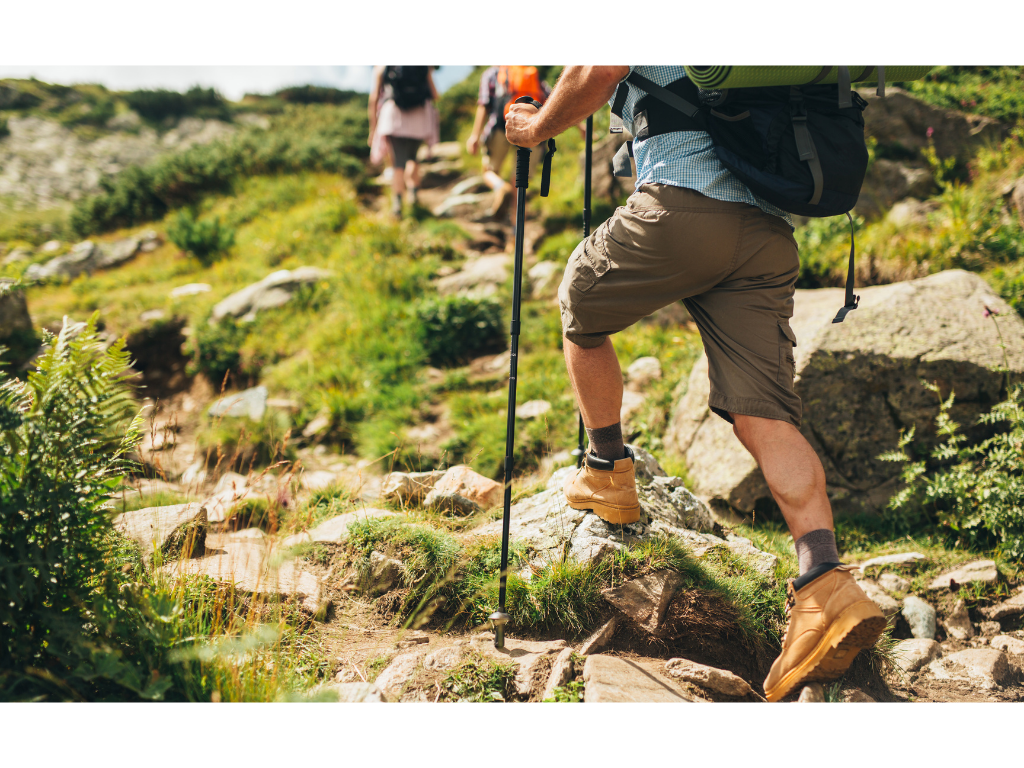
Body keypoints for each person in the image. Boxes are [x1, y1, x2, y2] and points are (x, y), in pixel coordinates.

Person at [505, 65, 886, 703]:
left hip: (681, 207)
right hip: (764, 235)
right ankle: (824, 582)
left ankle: (607, 472)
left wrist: (538, 126)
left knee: (580, 304)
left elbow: (597, 71)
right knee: (764, 412)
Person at [466, 65, 551, 230]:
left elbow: (484, 104)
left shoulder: (492, 73)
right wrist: (580, 127)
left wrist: (475, 135)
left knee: (488, 170)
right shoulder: (532, 73)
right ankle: (515, 236)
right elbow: (551, 99)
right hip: (529, 128)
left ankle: (500, 187)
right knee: (519, 186)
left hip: (501, 126)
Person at [369, 65, 440, 217]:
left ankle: (397, 205)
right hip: (419, 117)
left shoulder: (382, 67)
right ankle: (413, 196)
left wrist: (372, 129)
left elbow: (374, 98)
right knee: (413, 158)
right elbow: (434, 94)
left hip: (394, 117)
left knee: (398, 164)